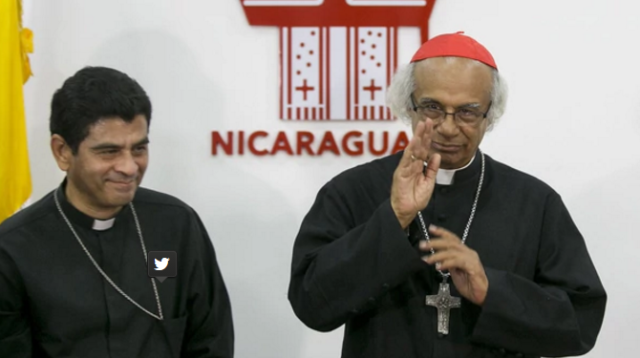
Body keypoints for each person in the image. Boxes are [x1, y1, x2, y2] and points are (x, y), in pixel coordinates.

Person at [288, 32, 606, 358]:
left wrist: (492, 291)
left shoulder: (535, 203)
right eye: (432, 107)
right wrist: (394, 217)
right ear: (407, 106)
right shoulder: (352, 191)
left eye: (467, 112)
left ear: (490, 113)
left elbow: (581, 325)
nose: (448, 127)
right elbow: (311, 304)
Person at [0, 67, 234, 357]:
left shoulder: (176, 225)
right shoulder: (12, 248)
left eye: (138, 149)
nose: (129, 167)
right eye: (108, 152)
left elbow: (211, 340)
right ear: (62, 151)